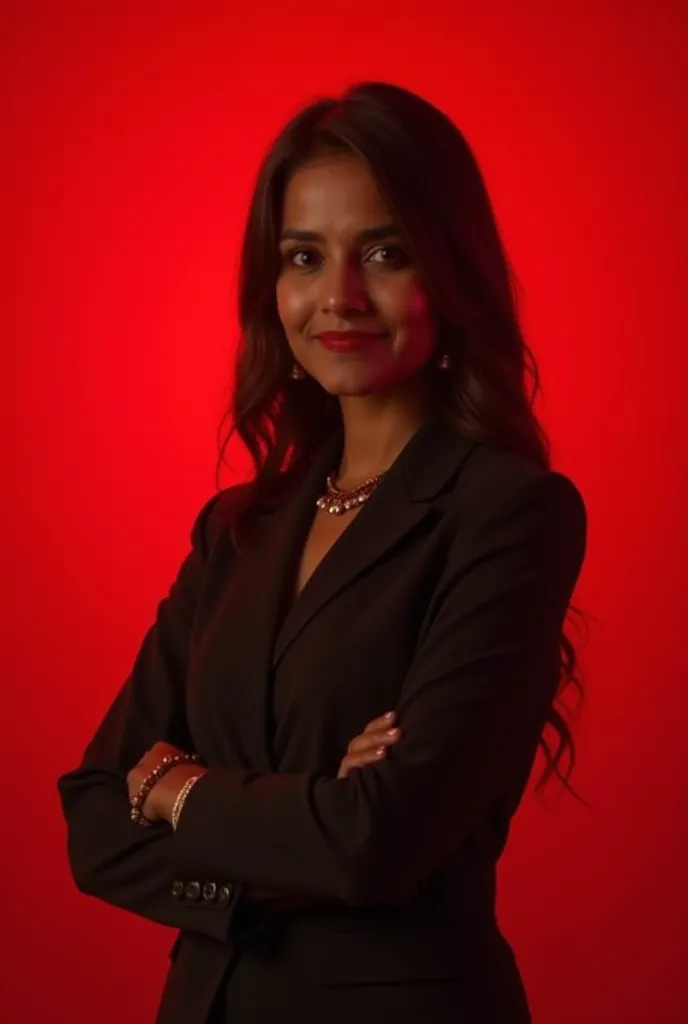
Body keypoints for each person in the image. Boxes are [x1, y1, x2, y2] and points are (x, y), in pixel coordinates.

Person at [57, 80, 587, 1024]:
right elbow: (97, 815)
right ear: (276, 287)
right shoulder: (236, 529)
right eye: (305, 256)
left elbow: (376, 840)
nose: (338, 295)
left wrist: (179, 789)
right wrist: (306, 816)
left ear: (450, 276)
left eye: (385, 253)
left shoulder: (512, 515)